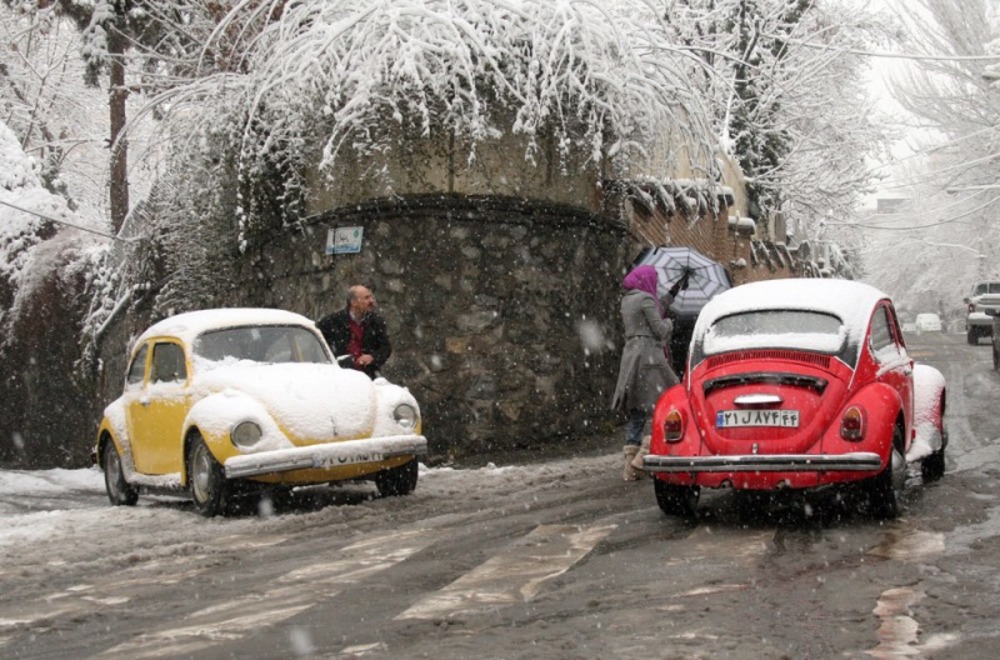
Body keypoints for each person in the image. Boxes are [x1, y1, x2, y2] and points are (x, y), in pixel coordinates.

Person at [611, 265, 685, 481]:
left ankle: (629, 468)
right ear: (647, 280)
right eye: (655, 279)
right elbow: (660, 328)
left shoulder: (628, 300)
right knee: (670, 401)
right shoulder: (646, 300)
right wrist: (671, 323)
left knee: (637, 410)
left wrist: (673, 292)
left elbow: (654, 309)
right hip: (650, 358)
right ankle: (643, 457)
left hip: (632, 357)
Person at [317, 284, 392, 379]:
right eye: (366, 298)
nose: (371, 301)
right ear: (353, 302)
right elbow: (318, 345)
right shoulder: (331, 322)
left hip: (368, 377)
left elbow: (386, 348)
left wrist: (372, 357)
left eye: (371, 297)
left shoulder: (376, 322)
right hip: (339, 377)